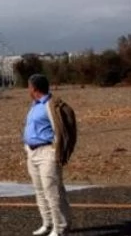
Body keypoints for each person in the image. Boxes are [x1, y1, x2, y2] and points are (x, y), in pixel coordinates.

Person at [23, 74, 77, 236]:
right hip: (32, 151)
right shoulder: (34, 105)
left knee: (52, 191)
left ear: (34, 88)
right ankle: (47, 223)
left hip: (47, 151)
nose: (28, 89)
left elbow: (64, 129)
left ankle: (59, 227)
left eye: (29, 86)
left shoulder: (52, 105)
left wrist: (59, 150)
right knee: (39, 190)